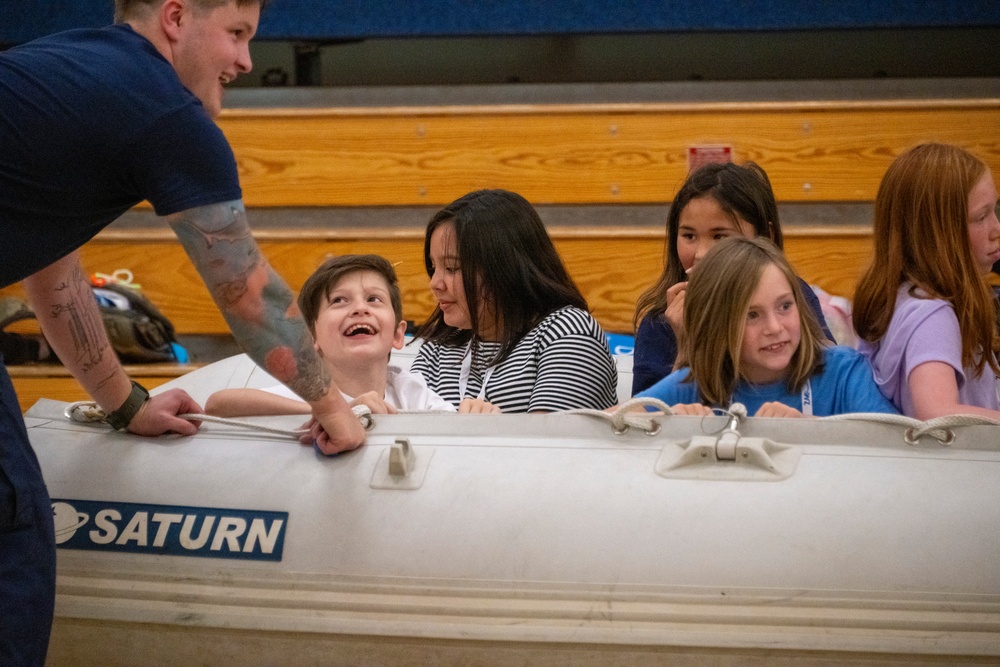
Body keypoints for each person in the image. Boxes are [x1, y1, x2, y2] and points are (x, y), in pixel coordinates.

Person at [0, 1, 362, 663]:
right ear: (174, 18)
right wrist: (332, 404)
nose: (247, 62)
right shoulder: (165, 113)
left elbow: (51, 274)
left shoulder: (72, 72)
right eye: (237, 35)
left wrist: (125, 402)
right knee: (13, 539)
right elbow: (249, 293)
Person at [636, 237, 897, 417]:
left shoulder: (843, 372)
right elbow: (603, 428)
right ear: (718, 325)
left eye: (785, 306)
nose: (774, 327)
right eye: (752, 315)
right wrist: (664, 422)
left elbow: (903, 444)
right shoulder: (693, 385)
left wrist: (814, 431)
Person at [632, 162, 833, 395]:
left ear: (765, 236)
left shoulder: (791, 296)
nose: (701, 254)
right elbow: (647, 420)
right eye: (689, 236)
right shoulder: (662, 323)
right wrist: (686, 345)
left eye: (719, 236)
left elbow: (826, 383)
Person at [410, 189, 618, 413]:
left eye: (451, 268)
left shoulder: (567, 331)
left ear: (504, 268)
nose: (435, 283)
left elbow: (551, 444)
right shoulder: (437, 348)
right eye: (434, 267)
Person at [205, 255, 457, 417]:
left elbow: (455, 427)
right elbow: (219, 404)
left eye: (374, 299)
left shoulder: (409, 391)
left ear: (397, 335)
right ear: (310, 337)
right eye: (339, 301)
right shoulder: (309, 392)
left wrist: (477, 416)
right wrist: (336, 413)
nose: (360, 308)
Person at [853, 143, 1000, 419]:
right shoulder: (932, 316)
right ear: (936, 235)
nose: (996, 229)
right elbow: (937, 413)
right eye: (981, 217)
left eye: (995, 211)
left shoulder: (905, 297)